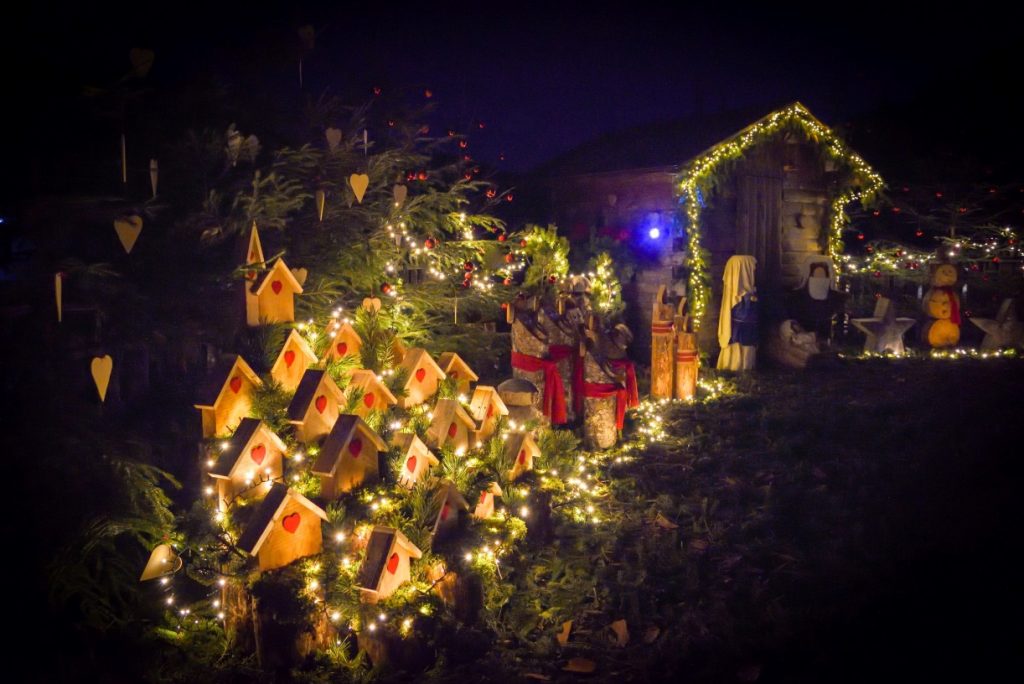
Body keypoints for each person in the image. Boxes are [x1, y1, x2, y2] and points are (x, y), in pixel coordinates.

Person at [717, 255, 758, 370]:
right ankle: (735, 367)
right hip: (739, 334)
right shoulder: (737, 296)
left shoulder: (751, 293)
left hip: (748, 333)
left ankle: (745, 367)